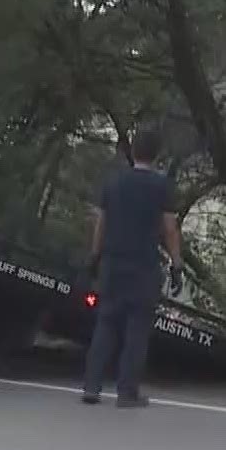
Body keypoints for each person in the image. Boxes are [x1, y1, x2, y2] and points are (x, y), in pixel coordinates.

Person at [81, 127, 184, 408]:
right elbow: (170, 229)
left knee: (106, 324)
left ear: (133, 151)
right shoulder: (162, 187)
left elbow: (101, 222)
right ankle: (127, 393)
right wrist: (176, 265)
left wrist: (94, 256)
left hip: (113, 262)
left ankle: (92, 386)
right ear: (157, 155)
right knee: (137, 329)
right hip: (143, 264)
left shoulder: (113, 183)